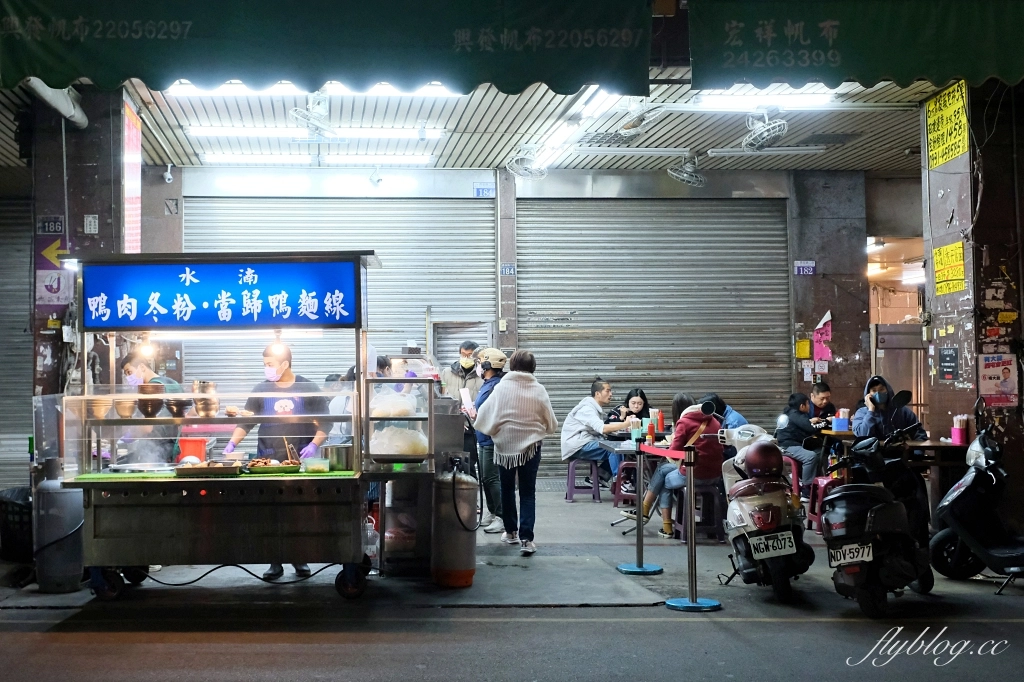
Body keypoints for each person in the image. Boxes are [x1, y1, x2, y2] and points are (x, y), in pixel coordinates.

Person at [222, 343, 328, 580]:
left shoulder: (307, 387)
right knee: (272, 512)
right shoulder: (261, 389)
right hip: (267, 460)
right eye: (265, 364)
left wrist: (314, 445)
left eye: (269, 364)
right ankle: (274, 561)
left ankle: (300, 559)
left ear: (285, 364)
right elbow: (246, 422)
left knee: (298, 513)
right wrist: (232, 444)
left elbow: (326, 422)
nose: (266, 369)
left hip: (298, 462)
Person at [474, 350, 558, 555]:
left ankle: (510, 532)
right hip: (531, 447)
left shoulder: (501, 388)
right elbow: (551, 423)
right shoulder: (539, 389)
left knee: (507, 488)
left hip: (503, 447)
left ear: (511, 366)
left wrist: (495, 431)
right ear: (533, 367)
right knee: (528, 492)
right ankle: (527, 539)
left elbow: (484, 415)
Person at [620, 393, 723, 538]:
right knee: (663, 470)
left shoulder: (684, 422)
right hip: (714, 475)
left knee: (664, 479)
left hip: (694, 474)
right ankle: (646, 510)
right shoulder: (715, 421)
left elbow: (674, 454)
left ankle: (662, 524)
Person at [560, 378, 632, 486]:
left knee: (619, 447)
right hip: (578, 445)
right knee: (613, 448)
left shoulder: (593, 408)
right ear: (598, 393)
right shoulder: (587, 409)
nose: (611, 394)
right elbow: (602, 428)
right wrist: (626, 424)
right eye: (607, 391)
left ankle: (599, 477)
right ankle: (621, 482)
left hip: (583, 442)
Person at [468, 348, 507, 534]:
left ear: (486, 365)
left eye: (478, 363)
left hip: (492, 438)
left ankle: (502, 516)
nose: (477, 366)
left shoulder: (496, 386)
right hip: (483, 437)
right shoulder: (487, 383)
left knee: (492, 478)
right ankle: (492, 512)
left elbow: (494, 412)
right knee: (485, 478)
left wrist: (476, 415)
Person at [119, 350, 183, 463]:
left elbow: (147, 428)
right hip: (170, 450)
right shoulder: (173, 384)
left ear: (142, 367)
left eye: (129, 372)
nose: (128, 378)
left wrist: (131, 433)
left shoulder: (149, 389)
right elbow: (190, 412)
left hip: (152, 451)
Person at [439, 340, 484, 474]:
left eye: (469, 355)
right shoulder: (447, 373)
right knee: (446, 464)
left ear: (476, 357)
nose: (466, 358)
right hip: (450, 427)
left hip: (470, 427)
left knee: (468, 464)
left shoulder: (481, 376)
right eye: (463, 354)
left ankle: (469, 492)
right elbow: (441, 398)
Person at [853, 375, 927, 441]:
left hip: (900, 455)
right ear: (868, 394)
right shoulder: (861, 413)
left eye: (881, 389)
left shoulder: (903, 411)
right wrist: (870, 411)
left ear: (888, 390)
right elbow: (863, 436)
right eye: (874, 390)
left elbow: (920, 435)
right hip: (873, 455)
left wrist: (917, 454)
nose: (878, 393)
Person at [776, 392, 823, 496]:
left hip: (792, 445)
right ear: (802, 406)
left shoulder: (791, 413)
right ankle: (806, 490)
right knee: (810, 457)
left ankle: (815, 483)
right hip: (788, 447)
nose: (809, 407)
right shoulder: (796, 415)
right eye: (807, 404)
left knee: (820, 452)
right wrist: (827, 422)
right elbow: (811, 429)